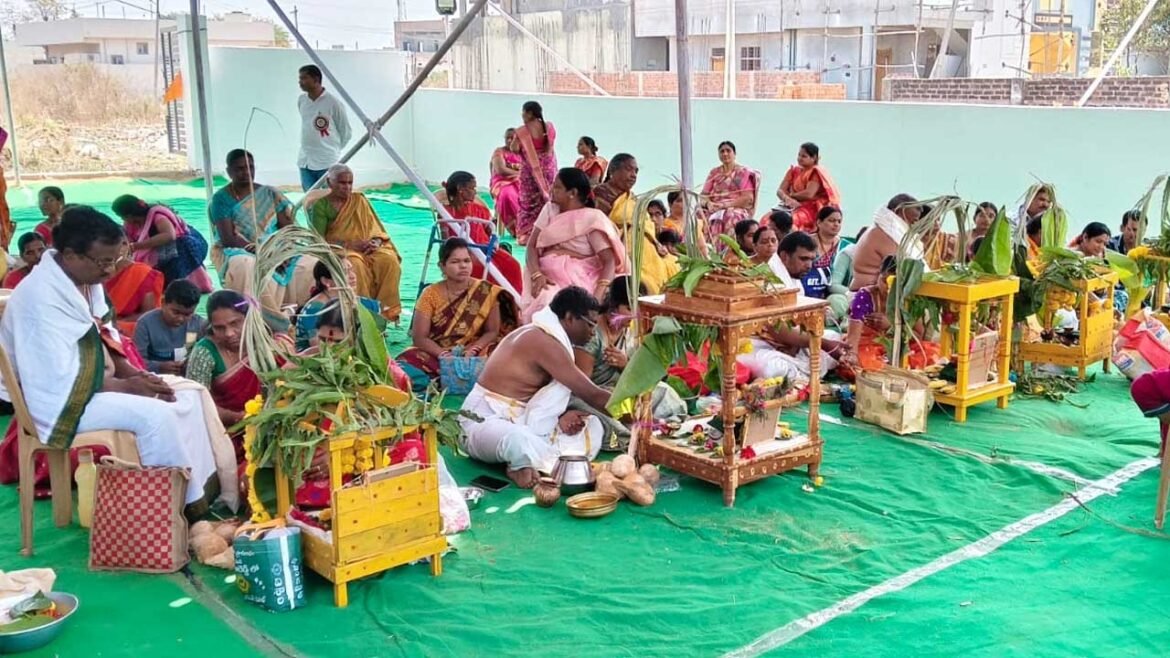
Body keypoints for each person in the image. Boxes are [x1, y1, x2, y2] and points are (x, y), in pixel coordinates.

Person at [0, 206, 236, 510]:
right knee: (157, 417)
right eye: (104, 262)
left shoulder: (81, 279)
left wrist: (133, 374)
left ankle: (203, 496)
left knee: (189, 396)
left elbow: (106, 337)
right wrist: (128, 387)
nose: (111, 270)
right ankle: (169, 512)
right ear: (71, 255)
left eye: (114, 259)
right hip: (58, 403)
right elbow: (56, 379)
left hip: (98, 386)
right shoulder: (38, 300)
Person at [459, 286, 613, 488]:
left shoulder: (550, 337)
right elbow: (590, 393)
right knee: (518, 440)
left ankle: (530, 461)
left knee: (592, 426)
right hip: (482, 421)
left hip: (523, 419)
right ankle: (519, 465)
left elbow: (545, 397)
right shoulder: (543, 341)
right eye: (591, 325)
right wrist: (633, 415)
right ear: (569, 317)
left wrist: (562, 416)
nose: (593, 333)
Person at [210, 149, 317, 332]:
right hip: (242, 250)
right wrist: (264, 253)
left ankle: (302, 320)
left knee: (312, 264)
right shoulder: (221, 199)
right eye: (240, 168)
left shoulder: (269, 193)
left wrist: (280, 252)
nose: (246, 172)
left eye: (250, 167)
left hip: (277, 248)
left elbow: (288, 229)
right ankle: (259, 323)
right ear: (229, 172)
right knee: (246, 266)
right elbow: (228, 238)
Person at [399, 238, 517, 387]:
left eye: (467, 261)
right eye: (455, 262)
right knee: (405, 364)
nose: (463, 266)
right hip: (437, 352)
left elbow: (492, 332)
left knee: (505, 357)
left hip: (476, 351)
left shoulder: (486, 291)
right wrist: (444, 355)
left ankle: (445, 379)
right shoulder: (430, 294)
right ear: (442, 266)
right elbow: (420, 337)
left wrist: (474, 349)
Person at [739, 232, 846, 386]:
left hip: (788, 345)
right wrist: (822, 343)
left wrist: (810, 342)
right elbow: (778, 330)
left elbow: (798, 322)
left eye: (811, 259)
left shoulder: (793, 278)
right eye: (803, 259)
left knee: (834, 336)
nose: (809, 265)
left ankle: (799, 370)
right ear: (784, 256)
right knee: (772, 368)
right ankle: (800, 371)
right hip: (758, 342)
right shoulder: (769, 278)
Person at [522, 167, 628, 322]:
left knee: (558, 306)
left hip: (581, 278)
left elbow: (609, 261)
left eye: (557, 187)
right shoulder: (550, 210)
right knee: (545, 300)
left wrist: (597, 297)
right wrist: (537, 275)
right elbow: (531, 246)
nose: (552, 190)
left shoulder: (591, 219)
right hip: (546, 275)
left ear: (572, 193)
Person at [306, 164, 403, 321]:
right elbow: (318, 239)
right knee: (355, 265)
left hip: (367, 247)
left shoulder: (359, 200)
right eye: (342, 183)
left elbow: (376, 229)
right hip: (339, 249)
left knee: (389, 261)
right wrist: (349, 245)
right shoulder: (321, 205)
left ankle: (384, 314)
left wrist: (376, 242)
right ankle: (361, 316)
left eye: (350, 183)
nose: (347, 187)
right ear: (330, 183)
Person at [594, 154, 678, 293]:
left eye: (636, 171)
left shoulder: (632, 199)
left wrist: (657, 244)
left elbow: (647, 226)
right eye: (628, 169)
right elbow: (599, 225)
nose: (633, 175)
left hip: (650, 250)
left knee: (675, 266)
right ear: (612, 171)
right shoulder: (602, 193)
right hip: (625, 251)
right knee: (646, 282)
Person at [439, 171, 525, 295]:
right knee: (480, 268)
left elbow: (491, 232)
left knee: (513, 266)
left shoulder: (480, 210)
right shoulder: (445, 213)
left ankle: (512, 303)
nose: (475, 192)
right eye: (472, 188)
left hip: (486, 249)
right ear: (460, 189)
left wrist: (494, 242)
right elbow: (445, 242)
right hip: (463, 252)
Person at [111, 194, 212, 291]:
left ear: (129, 215)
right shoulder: (130, 224)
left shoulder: (157, 216)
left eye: (122, 216)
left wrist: (136, 246)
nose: (122, 219)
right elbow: (127, 241)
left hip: (183, 249)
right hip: (158, 253)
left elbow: (169, 235)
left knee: (181, 247)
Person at [293, 260, 379, 352]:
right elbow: (323, 351)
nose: (353, 276)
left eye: (352, 270)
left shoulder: (360, 302)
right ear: (326, 281)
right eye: (345, 272)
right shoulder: (314, 310)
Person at [850, 194, 924, 291]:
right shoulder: (884, 234)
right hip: (866, 294)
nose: (914, 225)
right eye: (912, 221)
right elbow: (904, 268)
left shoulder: (882, 230)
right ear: (898, 212)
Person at [134, 280, 207, 375]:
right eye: (176, 312)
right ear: (163, 302)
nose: (180, 319)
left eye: (187, 314)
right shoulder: (145, 324)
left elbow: (208, 353)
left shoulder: (198, 324)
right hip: (155, 377)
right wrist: (158, 367)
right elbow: (136, 360)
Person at [297, 64, 351, 192]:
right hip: (305, 161)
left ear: (316, 80)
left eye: (304, 78)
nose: (300, 82)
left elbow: (346, 132)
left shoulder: (333, 103)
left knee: (329, 200)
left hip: (327, 162)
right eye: (300, 79)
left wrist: (332, 149)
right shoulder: (301, 100)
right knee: (309, 200)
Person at [515, 100, 557, 244]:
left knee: (529, 202)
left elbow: (514, 148)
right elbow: (550, 147)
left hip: (530, 173)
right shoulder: (549, 127)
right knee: (547, 199)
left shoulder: (522, 131)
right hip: (549, 170)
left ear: (530, 113)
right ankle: (548, 231)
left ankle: (527, 235)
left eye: (523, 112)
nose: (522, 115)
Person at [776, 142, 842, 233]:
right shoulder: (793, 170)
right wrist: (787, 199)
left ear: (814, 158)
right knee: (768, 219)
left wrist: (791, 196)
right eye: (799, 155)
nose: (799, 158)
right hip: (790, 206)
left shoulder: (815, 172)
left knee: (790, 221)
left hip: (810, 209)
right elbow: (780, 190)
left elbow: (808, 194)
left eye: (804, 156)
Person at [846, 255, 898, 371]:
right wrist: (852, 355)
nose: (887, 288)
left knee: (930, 353)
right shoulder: (866, 295)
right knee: (863, 363)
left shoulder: (906, 299)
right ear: (878, 275)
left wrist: (891, 325)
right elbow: (853, 337)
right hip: (868, 345)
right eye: (884, 281)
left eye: (894, 285)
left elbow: (917, 334)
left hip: (898, 346)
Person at [105, 239, 164, 336]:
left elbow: (149, 314)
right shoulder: (86, 272)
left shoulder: (142, 273)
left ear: (124, 246)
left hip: (124, 329)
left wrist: (115, 322)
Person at [701, 141, 759, 240]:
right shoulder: (714, 173)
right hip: (714, 207)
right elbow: (703, 195)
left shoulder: (742, 173)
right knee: (698, 214)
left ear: (734, 154)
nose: (725, 154)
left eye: (728, 151)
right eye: (722, 151)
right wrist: (708, 204)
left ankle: (728, 251)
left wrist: (724, 205)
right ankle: (705, 251)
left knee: (730, 216)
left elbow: (748, 199)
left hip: (735, 207)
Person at [802, 205, 844, 300]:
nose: (836, 224)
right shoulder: (807, 242)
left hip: (831, 294)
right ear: (819, 222)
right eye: (831, 220)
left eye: (839, 221)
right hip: (806, 292)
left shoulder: (842, 245)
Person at [489, 128, 523, 235]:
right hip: (501, 183)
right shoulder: (499, 152)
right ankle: (517, 229)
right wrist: (520, 175)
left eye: (512, 138)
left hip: (520, 183)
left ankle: (528, 228)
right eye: (507, 138)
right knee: (507, 195)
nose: (509, 141)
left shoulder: (524, 154)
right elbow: (501, 170)